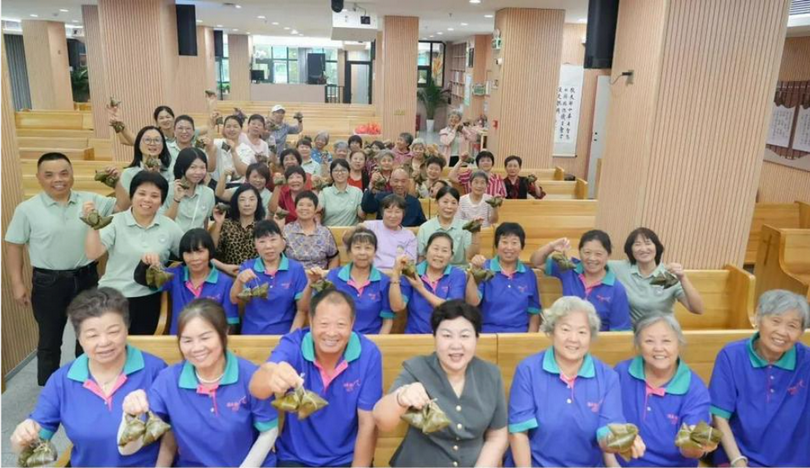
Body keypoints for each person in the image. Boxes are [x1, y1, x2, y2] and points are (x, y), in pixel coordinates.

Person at [10, 288, 168, 467]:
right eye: (92, 335)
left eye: (113, 331)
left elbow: (174, 433)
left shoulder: (156, 370)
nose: (104, 342)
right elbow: (33, 446)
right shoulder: (62, 381)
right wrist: (22, 438)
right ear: (79, 338)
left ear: (127, 328)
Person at [121, 299, 278, 467]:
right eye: (187, 340)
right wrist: (129, 416)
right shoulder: (168, 380)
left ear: (224, 333)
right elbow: (127, 449)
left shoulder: (250, 376)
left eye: (205, 338)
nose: (196, 348)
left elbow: (269, 430)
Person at [5, 153, 116, 385]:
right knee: (50, 340)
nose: (58, 179)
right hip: (48, 283)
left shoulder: (89, 200)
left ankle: (85, 384)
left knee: (89, 335)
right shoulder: (27, 209)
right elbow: (14, 246)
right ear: (39, 178)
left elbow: (123, 205)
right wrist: (17, 283)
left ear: (72, 174)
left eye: (64, 173)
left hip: (86, 277)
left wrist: (118, 183)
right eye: (49, 175)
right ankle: (50, 391)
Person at [507, 297, 646, 467]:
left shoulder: (608, 377)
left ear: (591, 336)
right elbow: (518, 432)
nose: (573, 339)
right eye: (565, 329)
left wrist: (622, 441)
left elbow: (606, 434)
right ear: (551, 331)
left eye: (582, 332)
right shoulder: (528, 370)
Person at [249, 289, 382, 467]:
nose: (332, 333)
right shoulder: (293, 344)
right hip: (295, 458)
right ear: (311, 321)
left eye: (341, 324)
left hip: (346, 458)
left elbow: (368, 423)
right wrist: (272, 374)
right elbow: (257, 387)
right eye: (324, 323)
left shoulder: (368, 354)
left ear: (352, 323)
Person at [373, 300, 509, 466]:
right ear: (434, 336)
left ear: (476, 338)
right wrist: (400, 398)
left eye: (465, 336)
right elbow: (382, 421)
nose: (456, 345)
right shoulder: (417, 368)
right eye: (446, 335)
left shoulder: (491, 374)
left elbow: (497, 435)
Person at [709, 289, 810, 467]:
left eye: (792, 326)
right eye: (775, 321)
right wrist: (737, 461)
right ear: (758, 318)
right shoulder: (732, 355)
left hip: (795, 461)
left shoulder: (806, 361)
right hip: (738, 455)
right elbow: (719, 416)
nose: (782, 332)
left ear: (801, 332)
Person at [84, 171, 183, 335]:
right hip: (114, 297)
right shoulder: (115, 221)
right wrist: (92, 226)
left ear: (161, 201)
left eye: (154, 196)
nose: (147, 199)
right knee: (112, 345)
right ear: (132, 195)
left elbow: (188, 254)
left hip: (150, 298)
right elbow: (92, 254)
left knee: (143, 347)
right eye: (141, 193)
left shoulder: (169, 226)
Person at [615, 313, 713, 467]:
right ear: (638, 345)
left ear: (678, 343)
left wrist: (694, 445)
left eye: (666, 341)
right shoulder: (621, 373)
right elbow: (606, 422)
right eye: (649, 341)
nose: (658, 348)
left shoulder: (695, 389)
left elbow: (693, 451)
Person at [134, 229, 239, 335]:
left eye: (200, 251)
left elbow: (231, 323)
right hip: (179, 339)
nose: (195, 258)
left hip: (209, 341)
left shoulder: (225, 282)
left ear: (210, 252)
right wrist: (145, 263)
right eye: (188, 252)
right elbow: (144, 280)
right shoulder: (175, 275)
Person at [531, 231, 632, 331]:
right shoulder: (569, 269)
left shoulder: (617, 289)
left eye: (598, 254)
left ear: (608, 255)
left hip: (597, 339)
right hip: (566, 335)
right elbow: (537, 262)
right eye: (587, 252)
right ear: (579, 252)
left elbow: (620, 332)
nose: (592, 258)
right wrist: (552, 246)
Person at [308, 227, 394, 334]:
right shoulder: (333, 277)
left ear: (375, 252)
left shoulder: (384, 281)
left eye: (368, 248)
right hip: (336, 337)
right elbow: (316, 312)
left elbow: (387, 321)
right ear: (349, 252)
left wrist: (377, 343)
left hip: (370, 340)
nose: (362, 253)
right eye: (357, 247)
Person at [608, 228, 705, 324]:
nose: (643, 249)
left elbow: (698, 309)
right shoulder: (621, 269)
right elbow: (600, 263)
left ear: (656, 247)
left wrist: (683, 278)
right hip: (633, 331)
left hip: (663, 330)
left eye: (648, 243)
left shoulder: (666, 276)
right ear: (630, 250)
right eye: (637, 244)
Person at [231, 220, 308, 334]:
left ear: (282, 241)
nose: (268, 246)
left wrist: (291, 338)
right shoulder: (247, 267)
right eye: (262, 241)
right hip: (252, 335)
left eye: (273, 240)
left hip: (285, 335)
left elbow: (302, 311)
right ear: (255, 245)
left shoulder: (296, 269)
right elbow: (234, 300)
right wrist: (238, 281)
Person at [465, 223, 541, 333]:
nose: (509, 247)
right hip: (487, 333)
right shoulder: (484, 268)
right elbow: (472, 302)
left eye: (514, 243)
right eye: (504, 242)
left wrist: (529, 340)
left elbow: (534, 313)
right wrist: (474, 273)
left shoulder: (529, 274)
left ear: (522, 246)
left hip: (520, 334)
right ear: (497, 244)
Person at [390, 233, 468, 334]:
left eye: (444, 251)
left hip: (447, 336)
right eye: (435, 249)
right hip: (416, 336)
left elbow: (453, 309)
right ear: (426, 251)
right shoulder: (412, 272)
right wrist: (396, 272)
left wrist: (421, 289)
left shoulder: (457, 275)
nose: (439, 254)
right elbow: (397, 307)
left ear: (451, 256)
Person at [417, 186, 480, 268]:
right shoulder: (425, 228)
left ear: (458, 205)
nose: (449, 206)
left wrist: (475, 233)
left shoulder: (465, 227)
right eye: (445, 202)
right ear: (436, 202)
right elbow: (421, 257)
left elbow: (471, 256)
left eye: (453, 203)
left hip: (459, 271)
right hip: (433, 270)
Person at [211, 184, 265, 277]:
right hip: (229, 277)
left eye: (252, 199)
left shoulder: (264, 226)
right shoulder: (226, 224)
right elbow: (211, 251)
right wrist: (218, 224)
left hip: (257, 278)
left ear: (258, 202)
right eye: (242, 199)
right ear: (236, 202)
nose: (247, 204)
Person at [115, 126, 173, 211]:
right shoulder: (129, 173)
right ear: (138, 144)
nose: (152, 143)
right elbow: (125, 206)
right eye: (147, 140)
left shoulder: (170, 171)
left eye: (157, 140)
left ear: (163, 145)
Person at [356, 195, 418, 270]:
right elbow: (348, 239)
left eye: (397, 212)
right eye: (389, 211)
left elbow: (410, 264)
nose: (393, 216)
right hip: (372, 273)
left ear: (403, 214)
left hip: (398, 273)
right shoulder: (370, 226)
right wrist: (357, 229)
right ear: (382, 213)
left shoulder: (409, 236)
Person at [282, 191, 340, 270]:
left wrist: (329, 275)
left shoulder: (324, 232)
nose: (304, 208)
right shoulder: (286, 230)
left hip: (319, 276)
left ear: (315, 209)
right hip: (293, 276)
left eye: (309, 205)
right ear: (295, 208)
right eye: (301, 205)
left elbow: (334, 258)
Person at [163, 148, 215, 231]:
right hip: (173, 237)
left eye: (202, 167)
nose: (198, 172)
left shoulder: (208, 193)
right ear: (182, 168)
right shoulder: (167, 189)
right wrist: (176, 200)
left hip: (196, 238)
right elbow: (164, 223)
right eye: (193, 167)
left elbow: (205, 222)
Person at [361, 168, 427, 227]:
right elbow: (366, 207)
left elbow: (422, 224)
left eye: (403, 181)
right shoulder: (381, 197)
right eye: (396, 181)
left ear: (408, 183)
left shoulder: (415, 202)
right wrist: (371, 185)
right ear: (390, 182)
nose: (399, 184)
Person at [209, 114, 258, 187]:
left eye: (235, 126)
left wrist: (233, 151)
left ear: (241, 129)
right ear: (224, 129)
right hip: (215, 184)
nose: (231, 129)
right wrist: (211, 126)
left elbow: (243, 172)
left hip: (236, 186)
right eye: (228, 126)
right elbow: (209, 146)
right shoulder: (218, 143)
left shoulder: (246, 149)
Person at [318, 159, 364, 226]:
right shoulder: (324, 192)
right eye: (336, 170)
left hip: (350, 231)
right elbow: (318, 213)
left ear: (349, 172)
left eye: (343, 170)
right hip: (329, 231)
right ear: (331, 173)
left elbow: (362, 215)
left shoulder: (357, 192)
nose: (340, 173)